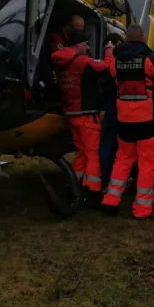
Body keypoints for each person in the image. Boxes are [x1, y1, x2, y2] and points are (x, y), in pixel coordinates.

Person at [101, 23, 154, 219]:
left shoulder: (115, 61)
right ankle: (142, 210)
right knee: (148, 165)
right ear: (142, 39)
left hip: (124, 122)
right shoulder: (150, 60)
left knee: (122, 161)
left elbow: (109, 85)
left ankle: (110, 201)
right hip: (148, 123)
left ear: (125, 40)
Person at [49, 28, 115, 208]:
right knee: (92, 153)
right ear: (78, 44)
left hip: (71, 114)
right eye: (86, 43)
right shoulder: (81, 61)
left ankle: (75, 184)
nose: (87, 47)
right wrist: (110, 50)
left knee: (81, 153)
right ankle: (92, 191)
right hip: (87, 115)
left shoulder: (62, 61)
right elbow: (105, 66)